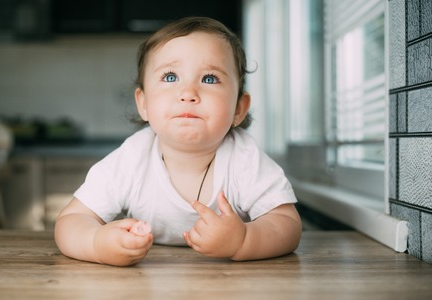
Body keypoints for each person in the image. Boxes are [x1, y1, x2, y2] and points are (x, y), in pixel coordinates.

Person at [54, 16, 302, 267]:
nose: (188, 93)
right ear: (143, 104)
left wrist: (243, 240)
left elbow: (287, 224)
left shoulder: (244, 157)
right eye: (170, 77)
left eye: (209, 79)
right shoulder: (132, 157)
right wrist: (97, 242)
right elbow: (71, 220)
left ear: (238, 108)